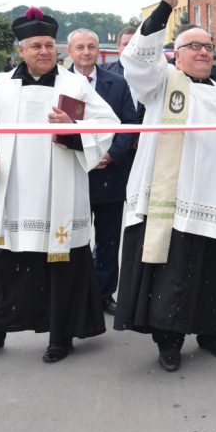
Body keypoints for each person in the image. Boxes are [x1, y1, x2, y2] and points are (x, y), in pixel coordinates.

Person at [113, 0, 216, 372]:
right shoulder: (161, 82)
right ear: (176, 55)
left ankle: (211, 334)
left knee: (212, 275)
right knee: (172, 275)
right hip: (173, 202)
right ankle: (169, 341)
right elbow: (137, 57)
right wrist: (165, 7)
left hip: (215, 202)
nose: (203, 52)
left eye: (207, 47)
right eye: (193, 47)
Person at [0, 7, 119, 362]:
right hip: (15, 195)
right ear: (21, 50)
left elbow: (108, 123)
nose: (44, 52)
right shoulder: (1, 87)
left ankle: (60, 337)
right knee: (5, 264)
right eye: (35, 46)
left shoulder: (73, 84)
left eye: (49, 45)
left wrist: (73, 131)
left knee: (61, 267)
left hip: (61, 193)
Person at [67, 28, 139, 315]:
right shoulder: (60, 85)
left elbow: (130, 124)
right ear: (70, 52)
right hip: (72, 175)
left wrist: (111, 155)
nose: (86, 52)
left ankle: (104, 293)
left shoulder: (117, 84)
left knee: (108, 240)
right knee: (74, 239)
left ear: (99, 50)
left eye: (91, 47)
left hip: (109, 175)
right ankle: (74, 292)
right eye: (80, 47)